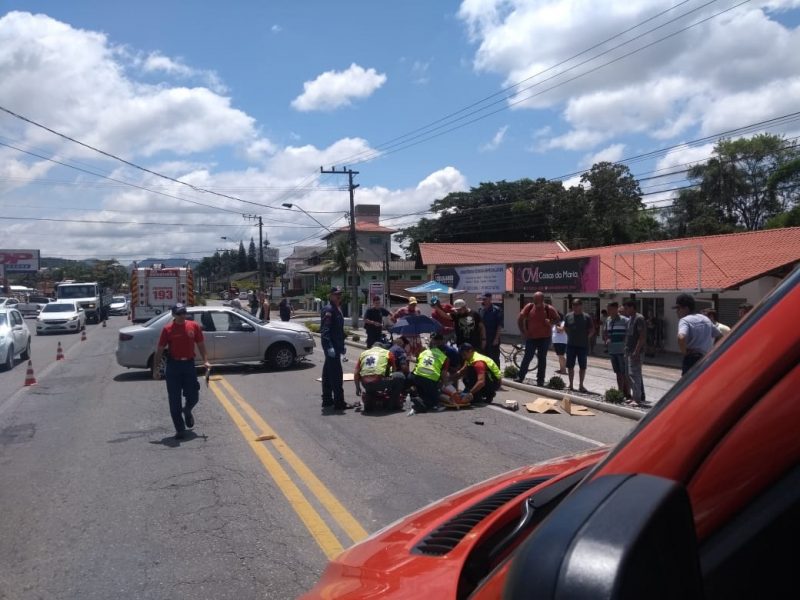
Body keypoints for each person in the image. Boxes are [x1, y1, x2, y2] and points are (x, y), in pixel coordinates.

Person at [153, 303, 211, 439]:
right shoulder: (167, 329)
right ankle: (180, 429)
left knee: (194, 396)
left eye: (184, 312)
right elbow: (160, 349)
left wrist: (206, 360)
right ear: (173, 314)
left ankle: (188, 410)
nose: (182, 315)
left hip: (189, 365)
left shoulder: (193, 326)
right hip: (173, 366)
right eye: (179, 313)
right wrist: (156, 369)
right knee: (174, 400)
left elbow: (201, 344)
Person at [516, 292, 560, 386]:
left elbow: (557, 319)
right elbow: (520, 319)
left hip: (544, 338)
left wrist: (551, 322)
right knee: (527, 357)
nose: (535, 301)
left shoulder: (549, 309)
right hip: (531, 338)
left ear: (542, 299)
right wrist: (523, 332)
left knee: (542, 359)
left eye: (537, 299)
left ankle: (540, 380)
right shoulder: (529, 307)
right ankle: (520, 377)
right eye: (534, 299)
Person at [674, 293, 722, 375]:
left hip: (691, 360)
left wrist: (685, 352)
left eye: (678, 308)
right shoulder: (704, 318)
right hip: (706, 358)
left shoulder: (685, 320)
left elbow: (681, 337)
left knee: (689, 384)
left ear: (686, 308)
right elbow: (719, 335)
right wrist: (712, 349)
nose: (677, 311)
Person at [320, 287, 350, 412]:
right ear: (330, 296)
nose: (338, 296)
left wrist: (342, 346)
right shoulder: (329, 310)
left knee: (327, 374)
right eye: (336, 294)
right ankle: (339, 402)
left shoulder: (338, 309)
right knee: (337, 375)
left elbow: (339, 330)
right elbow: (325, 331)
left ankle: (327, 400)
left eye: (339, 294)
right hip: (331, 346)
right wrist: (329, 347)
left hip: (336, 346)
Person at [354, 343, 405, 412]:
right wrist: (389, 385)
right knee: (400, 376)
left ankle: (370, 397)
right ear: (382, 348)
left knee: (369, 376)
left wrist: (357, 388)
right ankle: (393, 403)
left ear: (372, 347)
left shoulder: (363, 354)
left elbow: (356, 373)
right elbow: (394, 370)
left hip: (365, 383)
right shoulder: (387, 353)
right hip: (379, 382)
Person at [410, 332, 449, 413]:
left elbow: (417, 363)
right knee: (434, 399)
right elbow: (444, 374)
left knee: (425, 391)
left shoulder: (425, 352)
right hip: (430, 379)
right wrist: (446, 385)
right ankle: (422, 402)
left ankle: (419, 397)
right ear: (444, 351)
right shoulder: (444, 357)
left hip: (416, 377)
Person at [563, 299, 595, 393]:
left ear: (581, 306)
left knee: (582, 366)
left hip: (583, 346)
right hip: (571, 345)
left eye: (577, 305)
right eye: (574, 305)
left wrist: (586, 338)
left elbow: (592, 330)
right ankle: (571, 385)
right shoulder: (568, 316)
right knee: (570, 366)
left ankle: (581, 385)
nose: (575, 307)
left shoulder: (587, 317)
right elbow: (565, 328)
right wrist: (570, 336)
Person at [622, 300, 648, 407]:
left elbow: (642, 337)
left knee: (635, 375)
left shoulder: (639, 318)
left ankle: (637, 399)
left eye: (627, 308)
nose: (626, 311)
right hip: (629, 350)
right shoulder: (630, 319)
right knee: (629, 375)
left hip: (635, 352)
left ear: (632, 307)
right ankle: (633, 396)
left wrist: (636, 351)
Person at [605, 302, 631, 399]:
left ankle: (627, 393)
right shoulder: (608, 320)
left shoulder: (625, 320)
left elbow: (629, 335)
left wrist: (625, 344)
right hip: (612, 350)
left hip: (622, 350)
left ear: (616, 309)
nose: (608, 311)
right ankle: (620, 392)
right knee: (618, 373)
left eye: (610, 309)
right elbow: (606, 333)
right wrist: (607, 339)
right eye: (608, 309)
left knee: (624, 373)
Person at [478, 292, 503, 367]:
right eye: (482, 299)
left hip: (493, 338)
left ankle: (496, 376)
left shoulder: (496, 310)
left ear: (490, 299)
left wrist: (496, 339)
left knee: (494, 358)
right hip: (483, 339)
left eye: (485, 299)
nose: (483, 300)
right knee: (484, 358)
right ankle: (487, 376)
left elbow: (499, 325)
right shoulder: (480, 310)